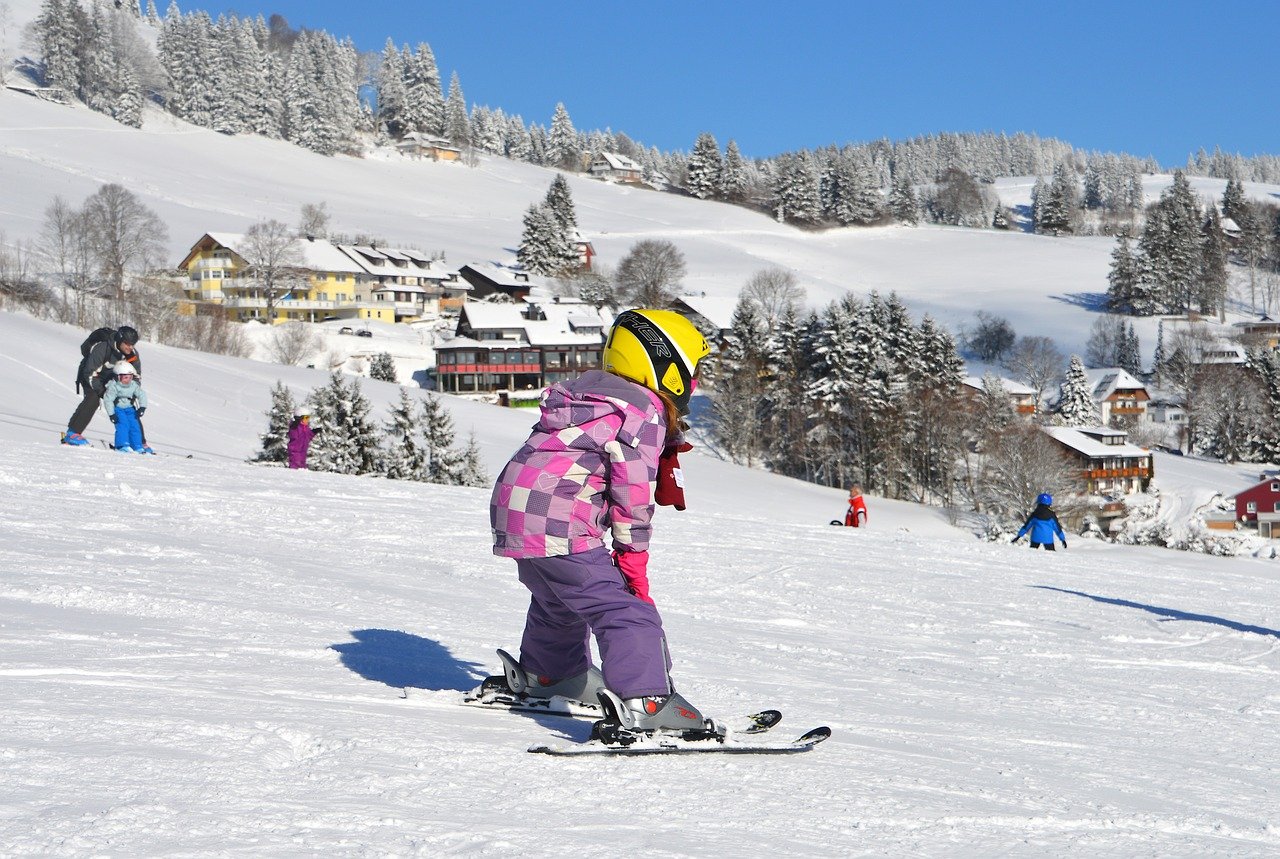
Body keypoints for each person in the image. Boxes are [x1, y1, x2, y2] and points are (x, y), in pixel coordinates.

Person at [490, 308, 711, 734]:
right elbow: (632, 489)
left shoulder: (587, 397)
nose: (696, 380)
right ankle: (646, 701)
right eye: (695, 368)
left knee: (560, 599)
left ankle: (553, 675)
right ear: (668, 365)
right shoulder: (640, 409)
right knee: (625, 612)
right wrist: (632, 554)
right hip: (558, 519)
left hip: (515, 511)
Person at [64, 326, 141, 446]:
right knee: (93, 398)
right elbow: (89, 372)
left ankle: (139, 443)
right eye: (127, 344)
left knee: (127, 405)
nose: (130, 347)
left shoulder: (132, 355)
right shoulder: (103, 348)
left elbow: (136, 376)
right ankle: (73, 434)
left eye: (133, 344)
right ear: (120, 340)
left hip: (112, 379)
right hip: (90, 376)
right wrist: (103, 392)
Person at [102, 361, 148, 454]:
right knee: (123, 425)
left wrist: (142, 407)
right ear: (118, 377)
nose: (128, 380)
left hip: (130, 409)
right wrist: (112, 414)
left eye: (130, 377)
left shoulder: (133, 385)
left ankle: (137, 446)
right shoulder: (113, 386)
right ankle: (122, 445)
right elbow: (108, 400)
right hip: (118, 409)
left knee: (134, 426)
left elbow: (141, 394)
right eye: (125, 377)